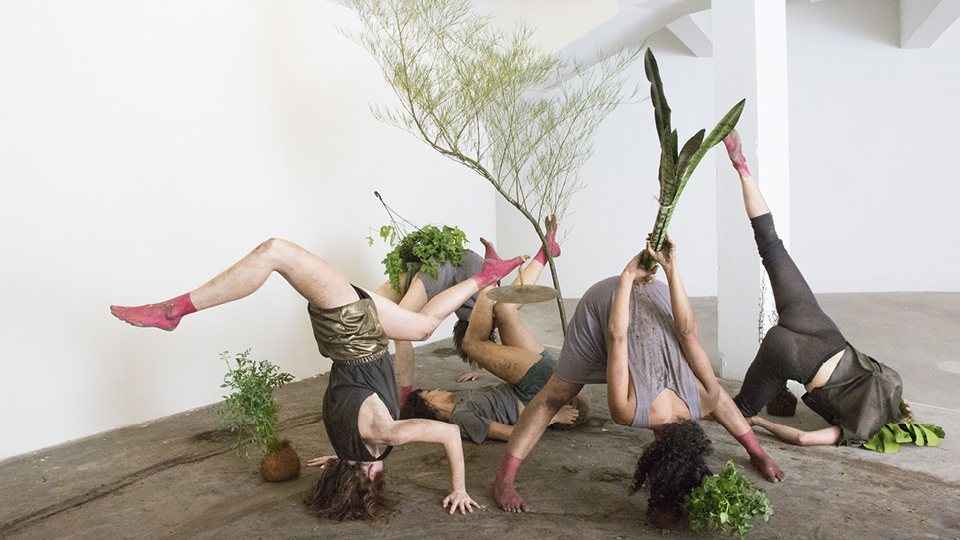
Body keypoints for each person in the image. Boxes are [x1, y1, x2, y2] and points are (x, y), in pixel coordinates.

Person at [110, 236, 525, 519]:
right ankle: (487, 274)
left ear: (369, 475)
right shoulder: (340, 437)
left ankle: (174, 311)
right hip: (353, 334)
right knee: (421, 326)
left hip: (351, 329)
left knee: (274, 251)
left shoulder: (381, 434)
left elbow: (449, 434)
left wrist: (459, 489)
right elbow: (355, 444)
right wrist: (341, 458)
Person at [493, 235, 785, 513]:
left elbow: (687, 332)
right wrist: (627, 279)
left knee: (710, 387)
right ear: (651, 452)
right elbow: (616, 336)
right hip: (605, 303)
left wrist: (669, 267)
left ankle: (757, 454)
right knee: (555, 395)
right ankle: (502, 481)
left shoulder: (704, 399)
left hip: (656, 293)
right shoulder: (628, 410)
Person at [722, 130, 908, 447]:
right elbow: (804, 438)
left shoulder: (893, 381)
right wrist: (759, 421)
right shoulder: (862, 429)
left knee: (771, 246)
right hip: (793, 358)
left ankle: (742, 170)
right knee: (737, 410)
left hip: (822, 330)